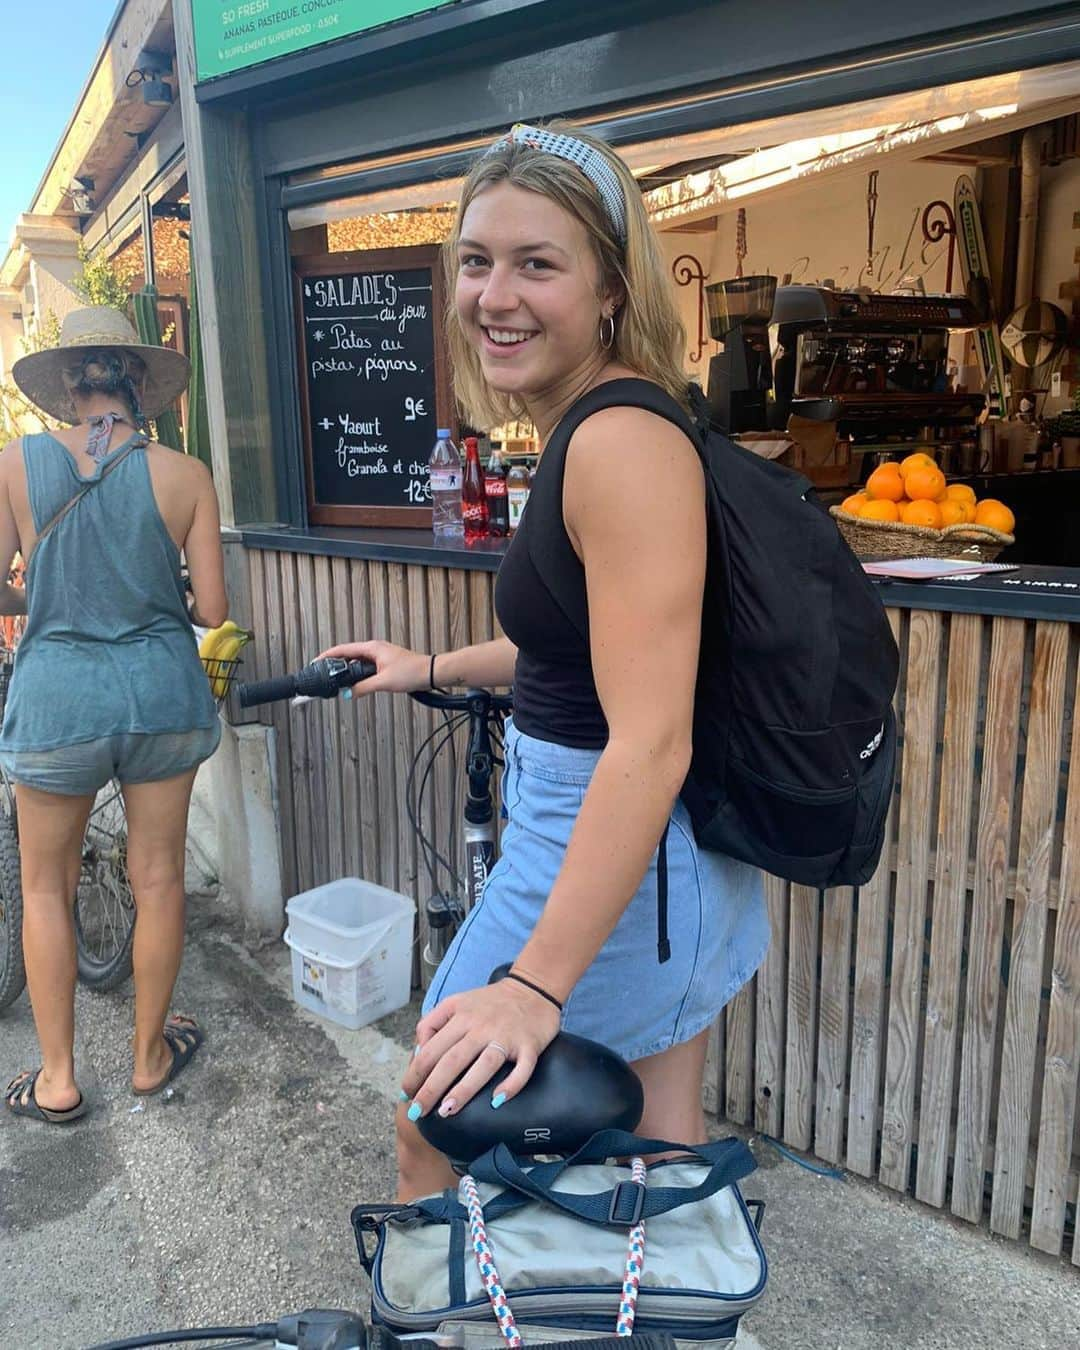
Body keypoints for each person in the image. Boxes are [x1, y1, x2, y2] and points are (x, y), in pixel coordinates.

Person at [322, 122, 770, 1199]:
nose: (494, 294)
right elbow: (573, 649)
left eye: (537, 263)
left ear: (611, 289)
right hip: (661, 862)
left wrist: (532, 984)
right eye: (476, 261)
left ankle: (445, 1323)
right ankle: (647, 1313)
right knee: (656, 1143)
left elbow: (649, 739)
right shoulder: (606, 426)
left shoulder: (617, 444)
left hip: (613, 838)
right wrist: (430, 662)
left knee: (436, 1123)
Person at [1, 305, 227, 1123]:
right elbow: (212, 607)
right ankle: (149, 1055)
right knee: (160, 879)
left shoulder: (15, 465)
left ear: (68, 384)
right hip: (161, 692)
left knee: (45, 890)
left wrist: (39, 594)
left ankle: (58, 1079)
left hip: (59, 698)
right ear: (141, 387)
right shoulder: (185, 473)